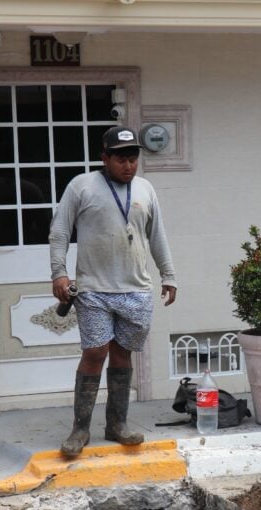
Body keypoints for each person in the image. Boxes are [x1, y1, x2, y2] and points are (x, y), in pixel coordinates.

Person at [50, 126, 177, 458]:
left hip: (135, 289)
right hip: (93, 289)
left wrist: (169, 275)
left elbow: (157, 235)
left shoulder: (146, 190)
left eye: (133, 159)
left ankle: (117, 424)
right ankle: (80, 429)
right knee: (95, 353)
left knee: (123, 355)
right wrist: (59, 273)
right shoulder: (82, 186)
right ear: (105, 158)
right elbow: (60, 231)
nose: (128, 166)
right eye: (121, 159)